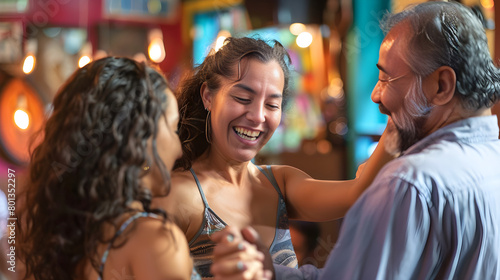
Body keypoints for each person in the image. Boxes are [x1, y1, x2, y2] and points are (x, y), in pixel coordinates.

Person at [211, 2, 500, 279]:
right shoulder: (490, 161)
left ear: (442, 86)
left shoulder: (409, 183)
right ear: (208, 97)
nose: (375, 94)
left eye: (386, 79)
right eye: (242, 98)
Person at [152, 36, 394, 278]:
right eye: (243, 99)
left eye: (271, 105)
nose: (258, 116)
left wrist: (401, 113)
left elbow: (357, 194)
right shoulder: (176, 195)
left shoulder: (279, 182)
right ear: (208, 96)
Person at [18, 57, 199, 280]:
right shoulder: (154, 241)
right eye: (173, 128)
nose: (179, 149)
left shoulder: (74, 236)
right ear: (138, 138)